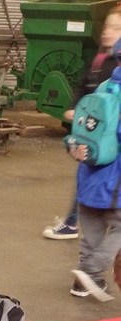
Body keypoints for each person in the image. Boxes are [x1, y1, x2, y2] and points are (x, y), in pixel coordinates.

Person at [43, 6, 121, 242]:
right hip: (91, 132)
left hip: (108, 141)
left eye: (116, 28)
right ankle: (74, 223)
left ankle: (73, 223)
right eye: (107, 26)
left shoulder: (114, 67)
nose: (108, 32)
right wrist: (75, 106)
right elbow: (84, 85)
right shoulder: (100, 59)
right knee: (87, 175)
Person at [66, 36, 121, 301]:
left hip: (88, 175)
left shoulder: (102, 87)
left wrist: (71, 146)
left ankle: (82, 283)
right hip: (114, 182)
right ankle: (92, 269)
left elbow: (80, 130)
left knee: (92, 233)